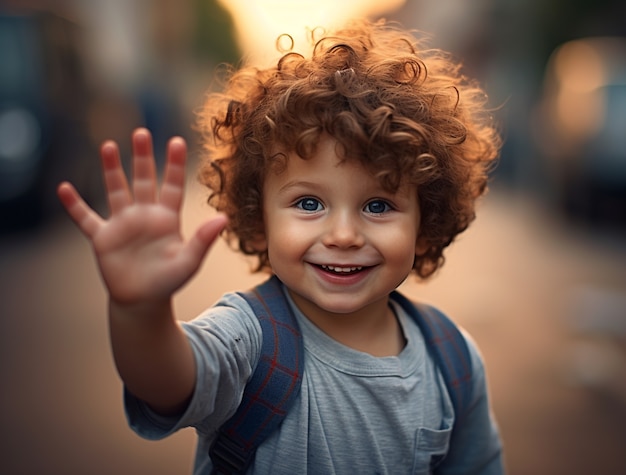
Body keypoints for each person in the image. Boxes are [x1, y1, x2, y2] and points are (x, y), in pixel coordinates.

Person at [58, 18, 504, 475]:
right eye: (309, 202)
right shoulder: (249, 338)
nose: (344, 235)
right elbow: (165, 381)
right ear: (259, 219)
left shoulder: (452, 360)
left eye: (378, 205)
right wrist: (140, 309)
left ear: (425, 224)